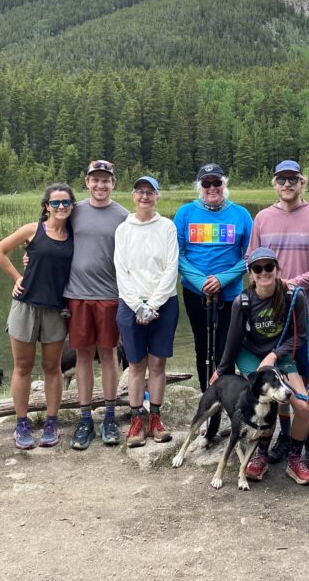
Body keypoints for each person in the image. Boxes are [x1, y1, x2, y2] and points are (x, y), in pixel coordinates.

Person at [247, 159, 309, 471]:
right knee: (281, 375)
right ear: (274, 183)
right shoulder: (262, 219)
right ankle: (285, 437)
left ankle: (308, 438)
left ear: (302, 183)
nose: (287, 184)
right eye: (281, 179)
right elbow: (251, 260)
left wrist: (293, 284)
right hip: (274, 317)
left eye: (293, 179)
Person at [212, 247, 309, 485]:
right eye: (258, 268)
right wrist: (221, 370)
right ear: (251, 273)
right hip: (250, 356)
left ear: (278, 270)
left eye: (269, 267)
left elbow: (300, 338)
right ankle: (260, 455)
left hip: (281, 357)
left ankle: (294, 458)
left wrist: (275, 355)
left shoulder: (294, 297)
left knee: (303, 408)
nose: (264, 272)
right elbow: (233, 339)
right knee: (265, 400)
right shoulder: (243, 301)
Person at [0, 183, 75, 449]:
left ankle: (51, 421)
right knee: (23, 367)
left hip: (55, 309)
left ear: (72, 205)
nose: (60, 207)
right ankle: (21, 423)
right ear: (46, 206)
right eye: (55, 203)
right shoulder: (33, 230)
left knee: (52, 368)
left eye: (65, 202)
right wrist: (17, 277)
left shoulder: (75, 234)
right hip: (25, 307)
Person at [63, 160, 130, 450]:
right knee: (83, 356)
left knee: (108, 355)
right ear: (86, 182)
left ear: (113, 183)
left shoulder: (124, 216)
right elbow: (49, 237)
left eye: (106, 180)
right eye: (95, 180)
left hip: (111, 296)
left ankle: (111, 415)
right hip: (77, 295)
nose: (100, 185)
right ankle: (86, 417)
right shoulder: (73, 211)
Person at [172, 164, 253, 392]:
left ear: (224, 184)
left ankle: (227, 397)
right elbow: (177, 254)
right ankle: (206, 396)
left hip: (230, 295)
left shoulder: (242, 215)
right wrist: (202, 282)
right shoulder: (185, 213)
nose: (212, 188)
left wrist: (222, 279)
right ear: (199, 186)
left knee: (225, 349)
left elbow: (250, 256)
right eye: (206, 183)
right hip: (196, 293)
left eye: (217, 182)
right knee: (203, 347)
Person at [113, 175, 180, 448]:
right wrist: (137, 305)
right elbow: (121, 271)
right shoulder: (123, 230)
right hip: (130, 305)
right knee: (136, 364)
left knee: (158, 364)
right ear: (133, 196)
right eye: (140, 192)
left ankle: (155, 417)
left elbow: (171, 269)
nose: (145, 197)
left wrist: (152, 305)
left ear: (157, 197)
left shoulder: (167, 227)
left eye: (150, 192)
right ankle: (136, 419)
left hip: (164, 304)